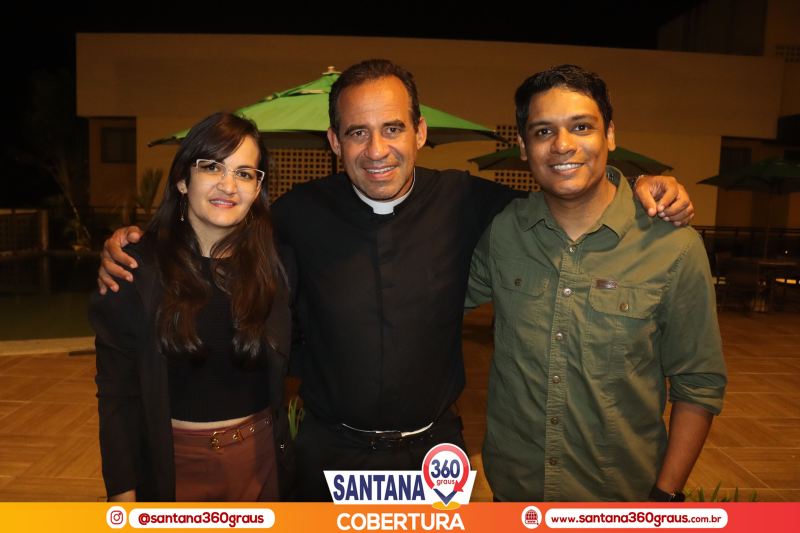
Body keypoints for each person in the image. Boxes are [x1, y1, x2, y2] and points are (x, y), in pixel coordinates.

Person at [96, 59, 696, 501]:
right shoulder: (298, 214)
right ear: (334, 142)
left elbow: (565, 192)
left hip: (435, 456)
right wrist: (137, 243)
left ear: (420, 132)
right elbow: (219, 230)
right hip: (329, 451)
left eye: (392, 128)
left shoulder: (472, 203)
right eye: (357, 132)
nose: (376, 149)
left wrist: (642, 187)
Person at [466, 64, 727, 502]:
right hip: (514, 497)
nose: (562, 145)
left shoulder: (673, 246)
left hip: (620, 502)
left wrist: (665, 497)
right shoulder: (504, 232)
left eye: (581, 127)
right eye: (543, 131)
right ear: (524, 147)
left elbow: (699, 384)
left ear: (610, 135)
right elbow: (435, 299)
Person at [90, 112, 293, 501]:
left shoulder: (276, 267)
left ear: (257, 189)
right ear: (183, 179)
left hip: (262, 464)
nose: (228, 185)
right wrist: (122, 495)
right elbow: (118, 396)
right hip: (174, 469)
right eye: (212, 167)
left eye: (244, 173)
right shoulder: (135, 269)